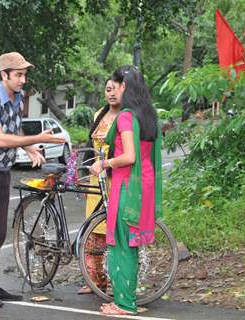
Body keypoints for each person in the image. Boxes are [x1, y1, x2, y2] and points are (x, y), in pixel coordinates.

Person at [0, 52, 65, 308]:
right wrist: (34, 140)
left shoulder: (18, 97)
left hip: (1, 172)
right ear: (4, 75)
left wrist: (30, 150)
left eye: (24, 74)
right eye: (18, 75)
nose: (23, 80)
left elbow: (14, 128)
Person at [90, 65, 162, 315]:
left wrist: (104, 163)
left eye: (117, 85)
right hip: (144, 184)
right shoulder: (148, 115)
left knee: (121, 244)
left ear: (125, 87)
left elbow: (129, 156)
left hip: (128, 184)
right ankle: (125, 300)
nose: (114, 89)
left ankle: (124, 304)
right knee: (131, 243)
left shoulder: (125, 116)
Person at [78, 78, 120, 295]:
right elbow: (88, 148)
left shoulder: (127, 117)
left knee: (114, 230)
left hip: (116, 178)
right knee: (94, 230)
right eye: (107, 89)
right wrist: (83, 174)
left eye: (115, 89)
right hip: (96, 179)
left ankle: (116, 281)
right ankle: (94, 280)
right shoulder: (98, 116)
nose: (111, 93)